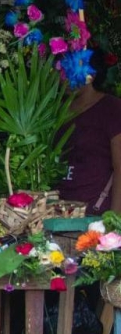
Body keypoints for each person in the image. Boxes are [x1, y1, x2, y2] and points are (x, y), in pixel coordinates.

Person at [58, 52, 121, 215]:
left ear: (91, 74)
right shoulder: (54, 111)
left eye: (71, 72)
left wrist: (113, 222)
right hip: (56, 212)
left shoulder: (112, 109)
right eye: (62, 72)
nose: (64, 78)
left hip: (96, 213)